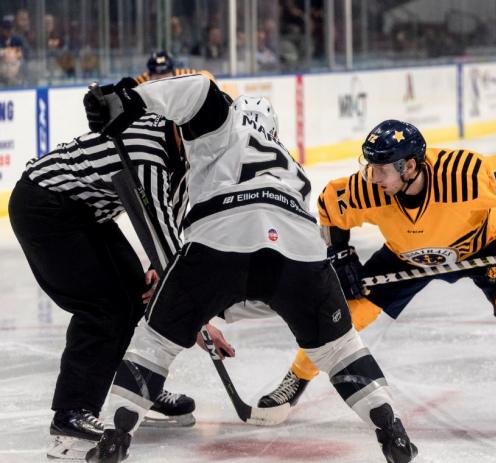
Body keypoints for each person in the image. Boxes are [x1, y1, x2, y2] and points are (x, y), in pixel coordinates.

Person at [81, 75, 418, 463]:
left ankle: (115, 436)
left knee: (155, 345)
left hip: (220, 241)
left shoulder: (222, 126)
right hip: (298, 253)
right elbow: (268, 280)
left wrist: (127, 99)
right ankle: (392, 430)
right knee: (341, 350)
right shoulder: (292, 166)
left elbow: (198, 91)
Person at [258, 119, 496, 440]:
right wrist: (340, 252)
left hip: (481, 244)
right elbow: (330, 205)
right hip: (405, 254)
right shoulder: (368, 189)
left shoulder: (465, 176)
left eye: (380, 170)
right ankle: (297, 377)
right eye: (369, 168)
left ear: (409, 166)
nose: (372, 178)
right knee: (344, 315)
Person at [7, 108, 232, 459]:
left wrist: (162, 271)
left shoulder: (179, 149)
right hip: (45, 207)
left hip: (85, 214)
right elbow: (171, 251)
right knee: (105, 306)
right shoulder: (147, 155)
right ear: (180, 126)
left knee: (134, 294)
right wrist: (199, 323)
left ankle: (138, 390)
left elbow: (169, 227)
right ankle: (71, 414)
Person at [134, 50, 214, 84]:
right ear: (149, 76)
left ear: (173, 72)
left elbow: (206, 76)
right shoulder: (140, 82)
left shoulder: (184, 76)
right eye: (157, 78)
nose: (163, 82)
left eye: (166, 77)